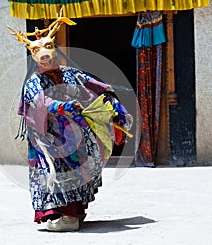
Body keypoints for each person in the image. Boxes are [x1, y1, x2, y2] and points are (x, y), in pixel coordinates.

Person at [8, 12, 132, 232]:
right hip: (50, 138)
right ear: (34, 56)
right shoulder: (33, 82)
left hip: (77, 133)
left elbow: (94, 86)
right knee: (57, 173)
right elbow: (40, 102)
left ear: (54, 51)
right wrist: (63, 106)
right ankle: (66, 215)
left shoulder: (70, 73)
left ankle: (74, 214)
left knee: (82, 169)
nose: (44, 56)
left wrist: (112, 104)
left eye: (47, 50)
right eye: (37, 51)